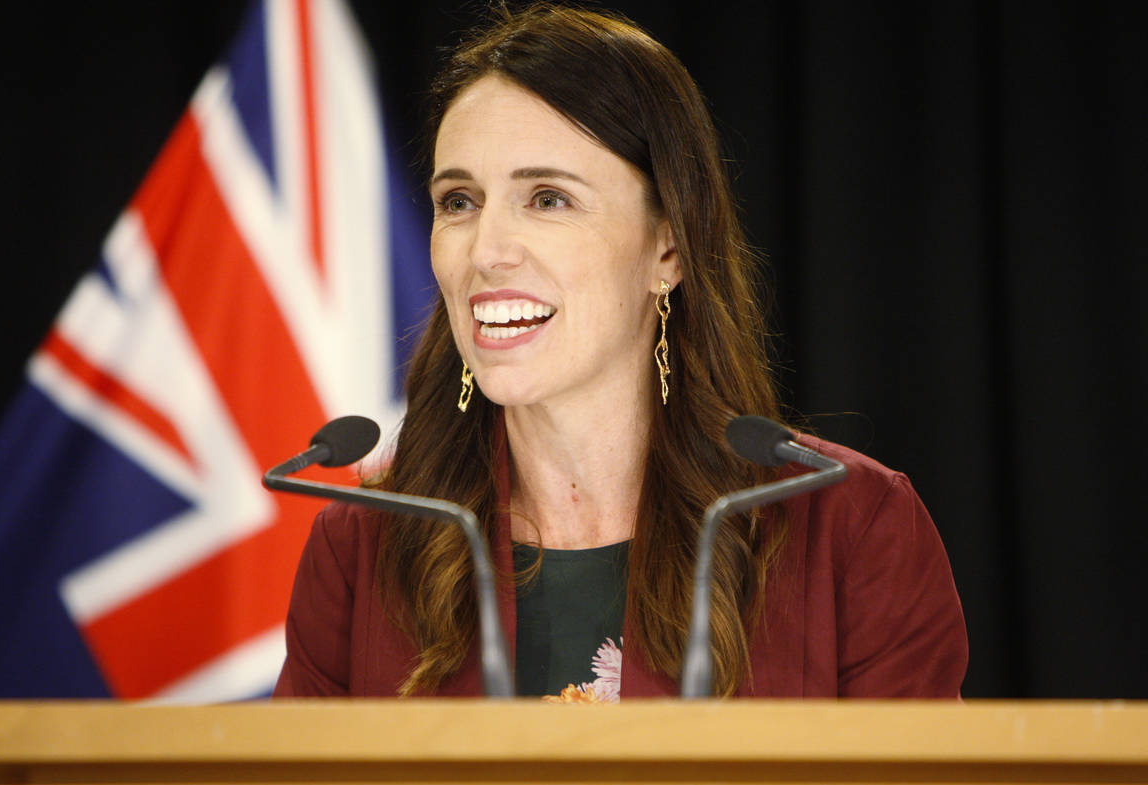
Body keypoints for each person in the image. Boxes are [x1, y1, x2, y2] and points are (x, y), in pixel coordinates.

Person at [273, 3, 967, 701]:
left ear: (667, 247)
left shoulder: (848, 528)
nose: (484, 252)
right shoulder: (362, 549)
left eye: (547, 199)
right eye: (459, 201)